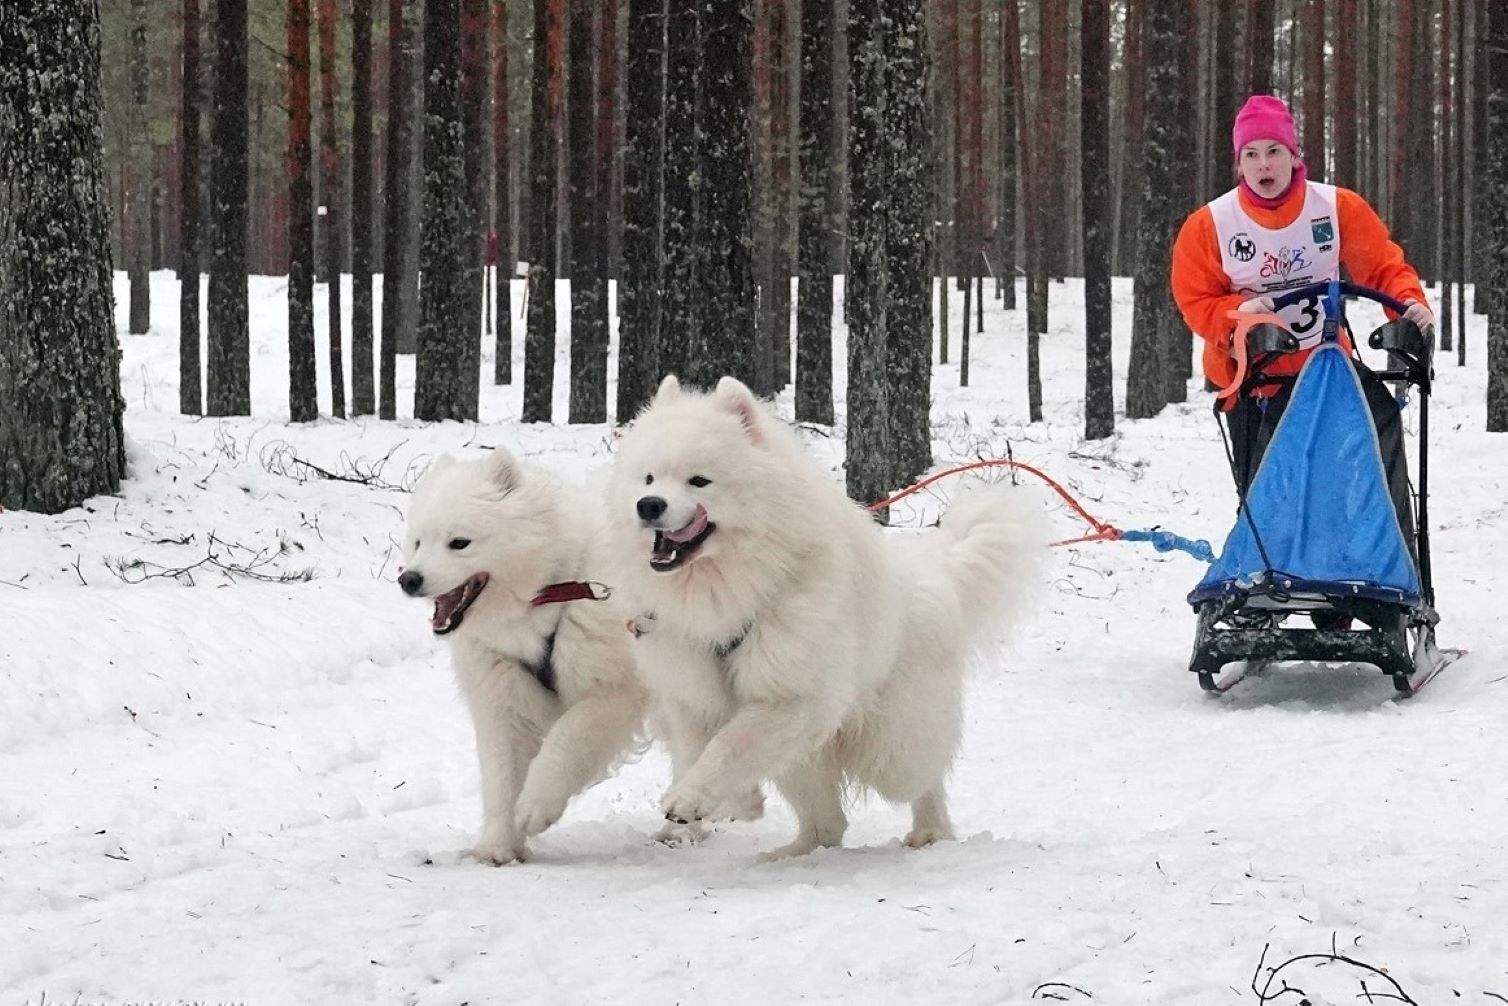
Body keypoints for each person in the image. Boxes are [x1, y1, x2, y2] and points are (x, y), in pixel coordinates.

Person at [1171, 95, 1431, 535]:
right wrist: (1238, 315)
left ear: (1294, 156)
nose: (1263, 165)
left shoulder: (1336, 207)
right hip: (1252, 375)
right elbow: (1195, 301)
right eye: (1251, 155)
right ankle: (1262, 568)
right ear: (1239, 165)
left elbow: (1383, 267)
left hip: (1327, 366)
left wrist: (1407, 303)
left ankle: (1386, 561)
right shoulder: (1209, 225)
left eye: (1274, 151)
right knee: (1269, 486)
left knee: (1367, 448)